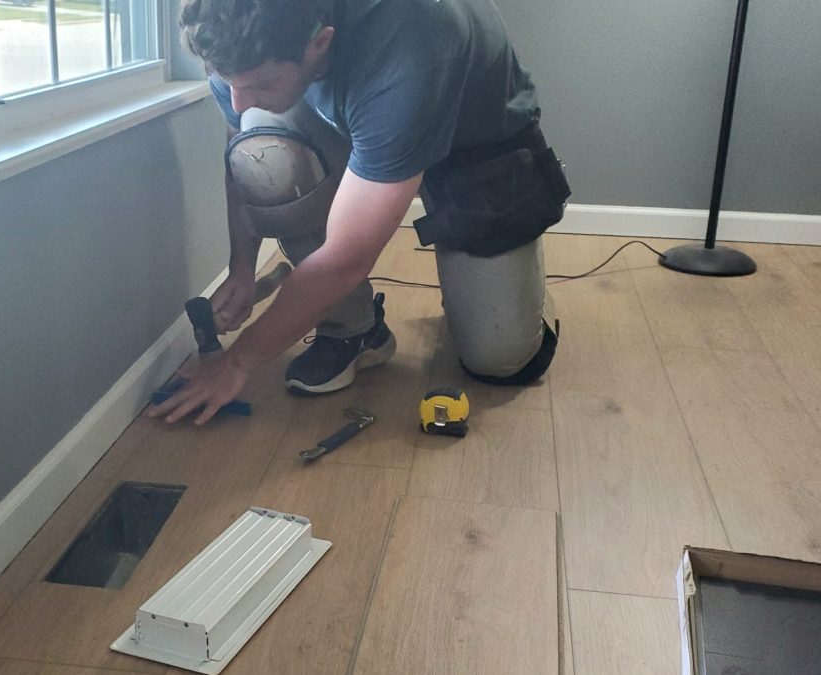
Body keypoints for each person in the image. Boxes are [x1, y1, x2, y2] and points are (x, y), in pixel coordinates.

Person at [149, 0, 570, 425]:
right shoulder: (237, 39)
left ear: (319, 42)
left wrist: (237, 363)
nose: (238, 101)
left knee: (499, 360)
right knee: (264, 149)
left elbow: (347, 258)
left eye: (260, 84)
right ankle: (355, 329)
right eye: (225, 81)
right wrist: (241, 267)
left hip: (473, 140)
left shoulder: (412, 35)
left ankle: (523, 294)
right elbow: (242, 147)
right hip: (356, 115)